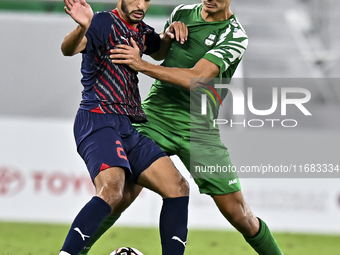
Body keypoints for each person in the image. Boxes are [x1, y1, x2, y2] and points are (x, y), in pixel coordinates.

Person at [109, 0, 285, 255]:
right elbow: (160, 52)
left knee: (241, 215)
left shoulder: (235, 35)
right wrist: (166, 37)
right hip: (156, 118)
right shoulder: (182, 12)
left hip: (200, 130)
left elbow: (197, 79)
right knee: (120, 193)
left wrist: (141, 65)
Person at [59, 0, 190, 255]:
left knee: (177, 187)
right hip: (98, 117)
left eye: (146, 0)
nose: (141, 4)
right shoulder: (102, 22)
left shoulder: (140, 29)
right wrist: (82, 27)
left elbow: (159, 49)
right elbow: (68, 49)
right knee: (112, 189)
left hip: (127, 126)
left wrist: (169, 32)